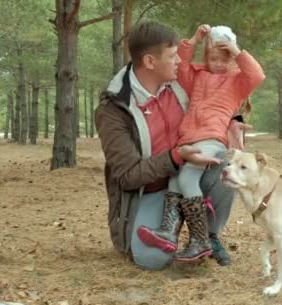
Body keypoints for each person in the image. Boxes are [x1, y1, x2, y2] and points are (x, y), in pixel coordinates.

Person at [94, 21, 250, 269]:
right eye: (172, 55)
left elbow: (213, 104)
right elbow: (126, 176)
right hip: (151, 190)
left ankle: (207, 236)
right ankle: (166, 228)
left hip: (193, 172)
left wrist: (233, 122)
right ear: (150, 62)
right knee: (152, 260)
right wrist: (176, 157)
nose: (179, 61)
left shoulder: (180, 83)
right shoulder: (114, 109)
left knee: (227, 166)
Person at [136, 24, 265, 262]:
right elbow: (182, 66)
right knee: (176, 180)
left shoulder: (237, 81)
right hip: (188, 138)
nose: (217, 64)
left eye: (223, 59)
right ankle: (168, 232)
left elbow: (257, 75)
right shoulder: (197, 76)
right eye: (212, 58)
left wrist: (237, 51)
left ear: (232, 60)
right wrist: (193, 40)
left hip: (212, 137)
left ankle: (201, 239)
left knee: (186, 178)